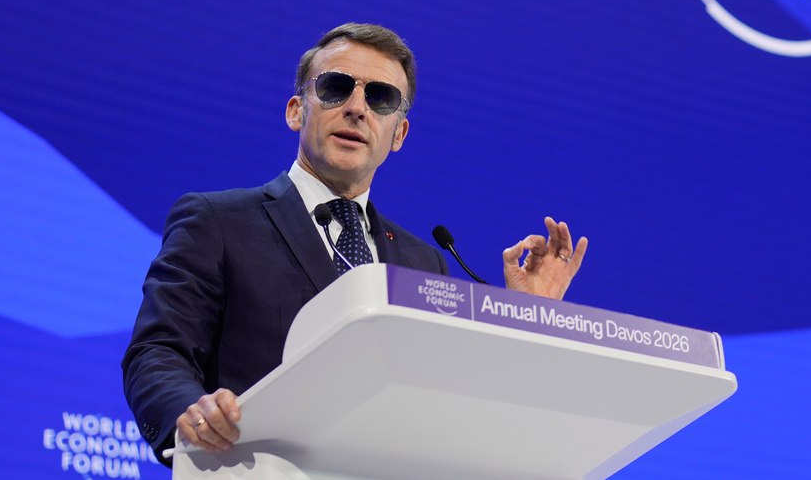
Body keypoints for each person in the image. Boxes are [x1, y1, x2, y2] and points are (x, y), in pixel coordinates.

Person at [121, 23, 588, 464]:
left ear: (398, 134)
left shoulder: (423, 262)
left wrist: (528, 318)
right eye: (336, 87)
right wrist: (189, 413)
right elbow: (158, 352)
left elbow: (455, 401)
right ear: (296, 110)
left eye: (381, 98)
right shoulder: (219, 221)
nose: (357, 108)